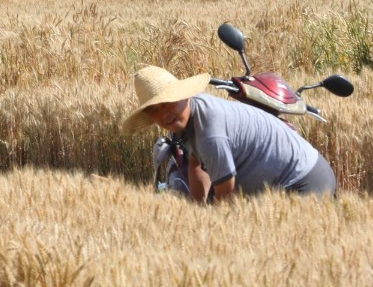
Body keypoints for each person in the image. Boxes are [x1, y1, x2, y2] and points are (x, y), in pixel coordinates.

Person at [121, 65, 337, 201]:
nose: (164, 113)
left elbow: (226, 191)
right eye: (154, 110)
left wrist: (214, 229)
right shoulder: (193, 116)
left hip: (304, 182)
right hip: (289, 184)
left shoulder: (209, 132)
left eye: (168, 103)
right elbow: (196, 165)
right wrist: (196, 212)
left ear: (184, 96)